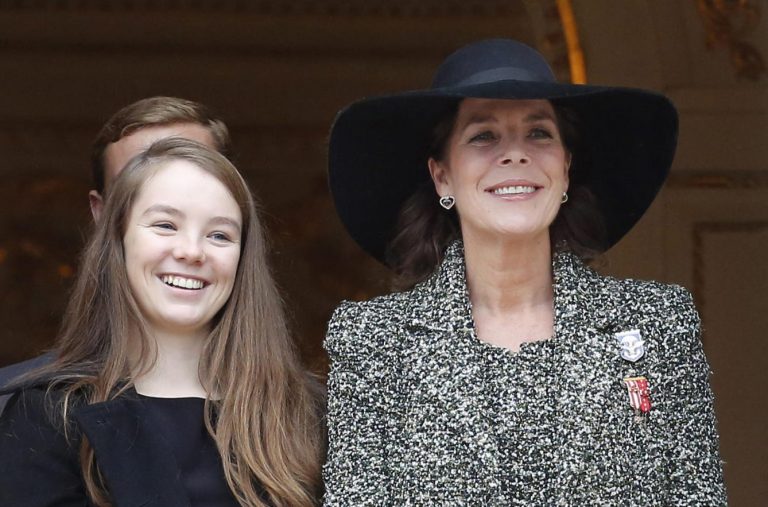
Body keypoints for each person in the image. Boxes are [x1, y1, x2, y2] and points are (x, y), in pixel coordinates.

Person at [323, 39, 726, 505]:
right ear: (442, 176)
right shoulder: (372, 339)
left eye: (538, 133)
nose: (515, 154)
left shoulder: (658, 323)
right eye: (483, 135)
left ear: (566, 168)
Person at [0, 139, 324, 506]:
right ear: (119, 241)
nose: (192, 251)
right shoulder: (48, 412)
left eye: (219, 235)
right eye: (166, 225)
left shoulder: (305, 411)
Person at [0, 96, 232, 412]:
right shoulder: (18, 406)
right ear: (101, 212)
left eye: (193, 177)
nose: (187, 248)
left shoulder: (295, 409)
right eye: (136, 187)